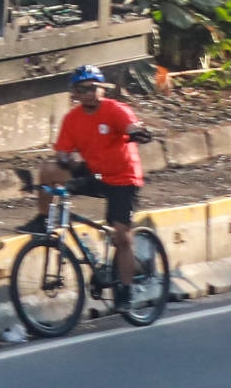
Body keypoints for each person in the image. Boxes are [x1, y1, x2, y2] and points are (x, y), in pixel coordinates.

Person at [31, 64, 149, 296]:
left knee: (122, 238)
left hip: (123, 178)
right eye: (82, 89)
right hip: (95, 173)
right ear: (74, 93)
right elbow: (63, 150)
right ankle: (44, 219)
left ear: (102, 88)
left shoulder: (115, 110)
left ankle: (125, 291)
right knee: (50, 169)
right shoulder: (72, 119)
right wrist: (67, 160)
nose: (89, 93)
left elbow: (131, 125)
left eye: (93, 87)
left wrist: (137, 132)